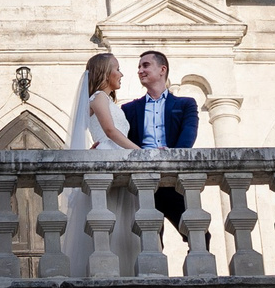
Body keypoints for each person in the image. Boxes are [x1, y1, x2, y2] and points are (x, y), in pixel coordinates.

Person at [62, 52, 135, 275]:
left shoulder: (109, 101)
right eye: (117, 69)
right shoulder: (98, 98)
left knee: (121, 217)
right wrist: (141, 152)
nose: (121, 74)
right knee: (110, 215)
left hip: (117, 156)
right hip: (111, 157)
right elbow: (110, 131)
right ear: (105, 72)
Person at [121, 49, 199, 241]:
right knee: (147, 238)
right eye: (139, 67)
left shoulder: (186, 104)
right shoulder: (129, 109)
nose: (140, 70)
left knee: (197, 232)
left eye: (145, 65)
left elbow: (189, 133)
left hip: (174, 180)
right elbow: (121, 138)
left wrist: (172, 155)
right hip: (142, 179)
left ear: (162, 69)